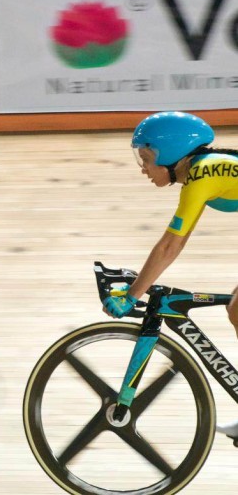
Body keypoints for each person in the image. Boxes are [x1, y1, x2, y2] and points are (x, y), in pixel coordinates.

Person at [103, 111, 238, 438]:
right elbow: (177, 243)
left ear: (172, 153)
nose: (142, 168)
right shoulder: (204, 172)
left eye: (147, 158)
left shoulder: (203, 174)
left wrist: (132, 294)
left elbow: (168, 247)